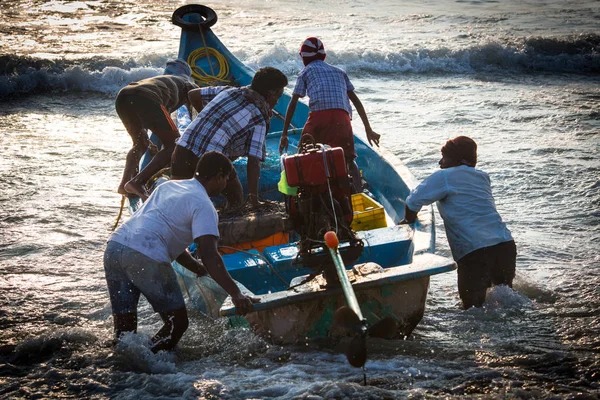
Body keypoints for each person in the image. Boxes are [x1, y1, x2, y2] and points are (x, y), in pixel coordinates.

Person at [104, 151, 258, 353]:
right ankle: (144, 361)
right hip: (145, 254)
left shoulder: (169, 186)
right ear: (219, 176)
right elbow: (209, 254)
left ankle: (120, 364)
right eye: (227, 179)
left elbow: (165, 235)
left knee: (124, 332)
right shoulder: (204, 205)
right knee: (177, 323)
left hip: (115, 248)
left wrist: (196, 268)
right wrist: (236, 293)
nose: (225, 185)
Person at [401, 136, 516, 309]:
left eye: (444, 157)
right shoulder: (482, 177)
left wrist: (407, 221)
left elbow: (413, 201)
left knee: (472, 309)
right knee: (507, 301)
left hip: (474, 251)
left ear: (456, 160)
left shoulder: (445, 176)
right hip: (504, 245)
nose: (440, 162)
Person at [171, 66, 288, 208]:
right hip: (208, 161)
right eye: (278, 97)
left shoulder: (228, 90)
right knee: (236, 196)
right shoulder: (259, 118)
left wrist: (210, 119)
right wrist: (254, 199)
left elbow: (193, 94)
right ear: (270, 95)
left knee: (178, 202)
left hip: (181, 150)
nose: (277, 102)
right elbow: (253, 162)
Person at [278, 37, 381, 191]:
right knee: (348, 159)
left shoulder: (305, 72)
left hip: (319, 118)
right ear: (324, 56)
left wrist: (284, 133)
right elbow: (356, 101)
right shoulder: (340, 72)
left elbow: (293, 103)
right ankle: (359, 193)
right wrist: (368, 129)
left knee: (304, 154)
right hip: (343, 118)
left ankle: (306, 190)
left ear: (303, 58)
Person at [116, 59, 203, 200]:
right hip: (146, 98)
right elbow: (197, 117)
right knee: (174, 145)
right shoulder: (189, 84)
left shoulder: (163, 80)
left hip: (124, 96)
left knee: (140, 143)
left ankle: (125, 184)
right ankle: (137, 182)